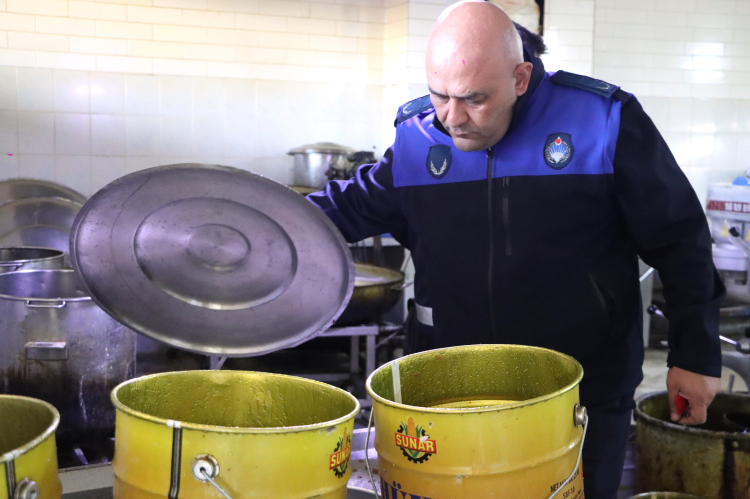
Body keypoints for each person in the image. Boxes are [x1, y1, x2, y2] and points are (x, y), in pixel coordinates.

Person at [307, 2, 723, 498]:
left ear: (520, 78)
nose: (452, 118)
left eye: (474, 99)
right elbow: (345, 208)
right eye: (439, 95)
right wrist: (246, 222)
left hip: (580, 389)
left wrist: (696, 354)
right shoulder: (418, 135)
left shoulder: (602, 121)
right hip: (449, 391)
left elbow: (681, 240)